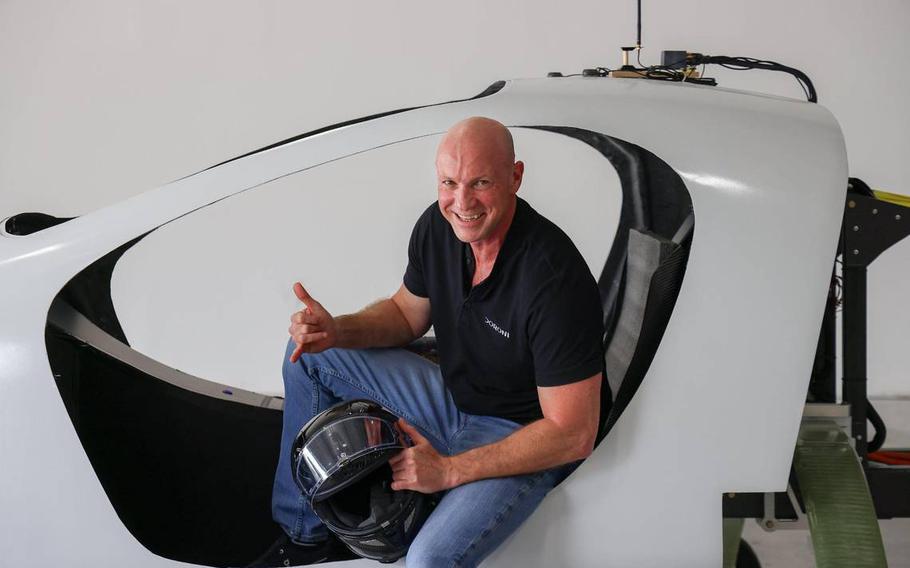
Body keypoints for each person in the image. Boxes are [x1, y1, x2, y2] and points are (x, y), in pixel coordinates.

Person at [255, 117, 608, 568]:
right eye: (450, 183)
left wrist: (450, 471)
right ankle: (305, 538)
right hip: (455, 399)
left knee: (427, 559)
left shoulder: (552, 279)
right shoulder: (439, 228)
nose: (462, 202)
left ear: (515, 177)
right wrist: (337, 330)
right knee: (309, 355)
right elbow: (406, 314)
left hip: (523, 435)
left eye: (480, 182)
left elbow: (573, 434)